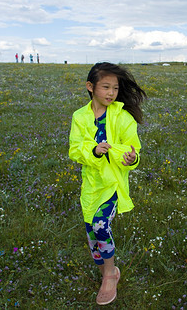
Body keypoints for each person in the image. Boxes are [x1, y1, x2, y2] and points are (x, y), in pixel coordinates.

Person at [69, 62, 147, 305]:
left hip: (112, 185)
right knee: (92, 235)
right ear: (90, 87)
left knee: (101, 226)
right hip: (91, 188)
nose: (112, 93)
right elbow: (74, 150)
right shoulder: (80, 117)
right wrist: (93, 150)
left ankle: (110, 274)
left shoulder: (122, 117)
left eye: (115, 88)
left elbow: (133, 149)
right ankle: (104, 270)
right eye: (106, 87)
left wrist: (130, 157)